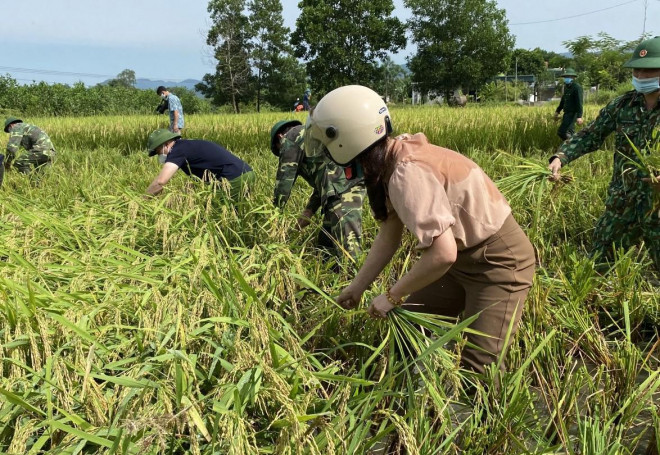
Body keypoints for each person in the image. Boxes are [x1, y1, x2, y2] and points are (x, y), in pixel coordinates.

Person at [306, 85, 536, 374]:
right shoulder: (390, 159)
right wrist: (357, 287)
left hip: (498, 264)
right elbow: (389, 235)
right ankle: (410, 400)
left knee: (479, 368)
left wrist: (391, 297)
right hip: (462, 262)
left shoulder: (406, 173)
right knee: (408, 325)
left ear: (346, 140)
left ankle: (487, 415)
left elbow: (442, 254)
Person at [549, 36, 660, 272]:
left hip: (658, 206)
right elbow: (591, 134)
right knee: (597, 266)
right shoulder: (623, 105)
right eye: (636, 71)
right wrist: (561, 157)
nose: (640, 77)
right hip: (623, 202)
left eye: (648, 71)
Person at [270, 119, 365, 260]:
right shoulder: (312, 136)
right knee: (325, 245)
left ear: (280, 137)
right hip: (344, 183)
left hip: (342, 189)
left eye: (280, 149)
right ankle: (334, 275)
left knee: (349, 248)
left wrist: (274, 216)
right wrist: (309, 210)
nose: (283, 151)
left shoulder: (291, 136)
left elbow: (284, 181)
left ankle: (357, 278)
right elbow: (324, 180)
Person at [145, 129, 254, 200]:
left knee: (212, 215)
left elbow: (160, 182)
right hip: (246, 172)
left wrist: (142, 200)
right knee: (236, 212)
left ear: (166, 144)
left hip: (234, 178)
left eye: (158, 151)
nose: (159, 155)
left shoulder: (177, 150)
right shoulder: (186, 146)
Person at [3, 117, 57, 185]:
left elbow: (11, 149)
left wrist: (7, 163)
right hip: (51, 153)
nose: (10, 132)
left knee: (20, 162)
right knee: (40, 178)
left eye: (9, 130)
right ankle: (38, 187)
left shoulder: (16, 127)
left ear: (10, 126)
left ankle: (32, 182)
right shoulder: (27, 127)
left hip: (41, 150)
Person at [554, 68, 584, 141]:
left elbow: (579, 102)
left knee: (564, 132)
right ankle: (570, 148)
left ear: (573, 77)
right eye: (565, 77)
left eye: (568, 77)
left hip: (573, 114)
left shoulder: (577, 87)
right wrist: (558, 111)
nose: (566, 79)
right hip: (566, 113)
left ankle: (573, 147)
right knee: (565, 132)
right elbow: (563, 100)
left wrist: (579, 116)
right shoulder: (567, 87)